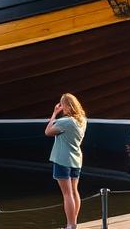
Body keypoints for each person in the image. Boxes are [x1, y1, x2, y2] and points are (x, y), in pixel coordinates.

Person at [45, 93, 86, 229]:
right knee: (74, 191)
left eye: (62, 105)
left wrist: (54, 114)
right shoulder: (82, 120)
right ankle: (74, 223)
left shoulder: (65, 122)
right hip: (76, 159)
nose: (62, 108)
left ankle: (70, 225)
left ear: (67, 106)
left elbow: (48, 131)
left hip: (63, 159)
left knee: (67, 194)